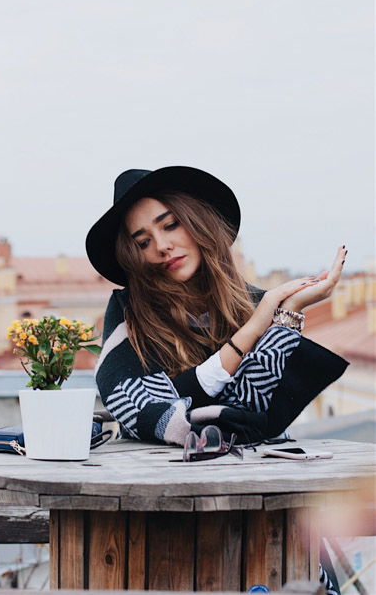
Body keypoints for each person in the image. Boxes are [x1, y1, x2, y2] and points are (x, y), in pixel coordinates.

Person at [86, 166, 348, 451]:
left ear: (198, 221)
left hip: (256, 483)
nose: (161, 246)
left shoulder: (256, 304)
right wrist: (255, 329)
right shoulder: (130, 315)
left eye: (170, 224)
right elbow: (144, 411)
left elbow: (256, 413)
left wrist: (289, 312)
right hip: (155, 482)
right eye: (143, 242)